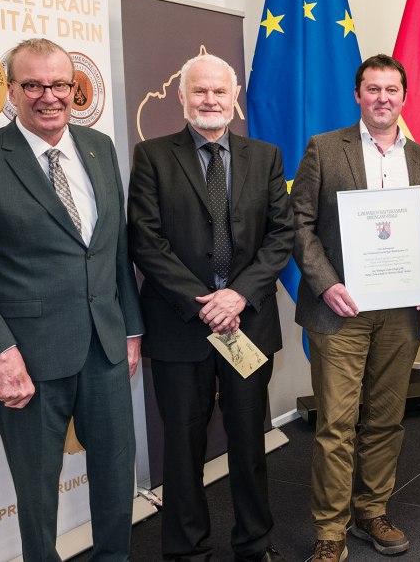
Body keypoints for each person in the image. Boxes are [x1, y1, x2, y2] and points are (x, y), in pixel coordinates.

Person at [0, 38, 144, 561]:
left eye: (59, 84)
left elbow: (115, 252)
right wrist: (2, 356)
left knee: (117, 479)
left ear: (75, 88)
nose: (48, 96)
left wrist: (132, 330)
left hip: (106, 350)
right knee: (36, 496)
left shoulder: (99, 148)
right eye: (33, 84)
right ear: (10, 91)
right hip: (28, 362)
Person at [127, 54, 293, 562]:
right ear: (181, 97)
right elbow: (146, 241)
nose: (210, 101)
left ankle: (253, 543)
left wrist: (237, 295)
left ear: (235, 95)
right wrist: (205, 304)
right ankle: (185, 550)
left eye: (220, 91)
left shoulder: (264, 157)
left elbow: (281, 234)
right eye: (199, 91)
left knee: (249, 443)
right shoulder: (151, 156)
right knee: (182, 447)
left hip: (248, 322)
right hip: (181, 325)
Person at [290, 54, 420, 562]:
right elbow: (300, 226)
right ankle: (330, 532)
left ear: (404, 97)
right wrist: (326, 284)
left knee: (385, 418)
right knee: (335, 424)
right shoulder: (323, 148)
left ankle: (371, 510)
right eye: (372, 89)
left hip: (400, 311)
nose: (382, 98)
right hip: (341, 310)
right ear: (358, 95)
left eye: (391, 90)